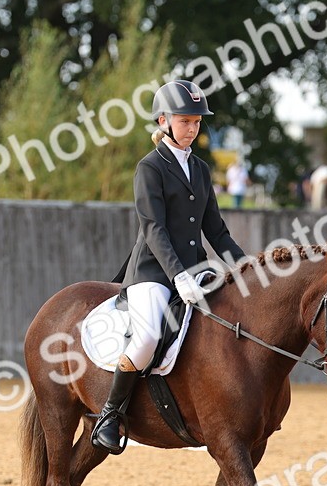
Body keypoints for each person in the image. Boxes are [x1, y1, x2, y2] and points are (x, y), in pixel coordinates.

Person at [93, 80, 248, 454]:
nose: (192, 128)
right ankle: (110, 415)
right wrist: (178, 275)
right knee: (147, 338)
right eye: (184, 121)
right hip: (153, 274)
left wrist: (248, 268)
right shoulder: (150, 168)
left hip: (195, 272)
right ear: (163, 120)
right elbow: (153, 227)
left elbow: (216, 230)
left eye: (196, 121)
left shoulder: (200, 168)